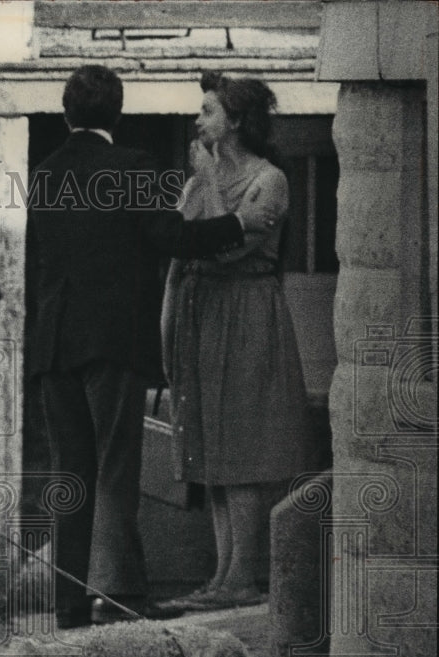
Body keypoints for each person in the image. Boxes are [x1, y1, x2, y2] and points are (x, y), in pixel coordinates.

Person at [27, 65, 278, 630]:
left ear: (67, 113)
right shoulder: (130, 167)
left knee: (72, 472)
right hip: (111, 343)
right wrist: (240, 222)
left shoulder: (43, 174)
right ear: (116, 113)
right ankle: (119, 593)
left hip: (54, 344)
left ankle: (67, 600)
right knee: (116, 467)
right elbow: (174, 239)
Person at [160, 72, 308, 611]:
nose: (197, 122)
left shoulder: (269, 180)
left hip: (247, 314)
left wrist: (210, 180)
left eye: (207, 112)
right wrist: (168, 332)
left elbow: (230, 247)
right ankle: (222, 575)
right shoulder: (198, 182)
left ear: (237, 121)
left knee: (244, 446)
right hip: (201, 316)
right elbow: (181, 257)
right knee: (210, 450)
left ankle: (244, 575)